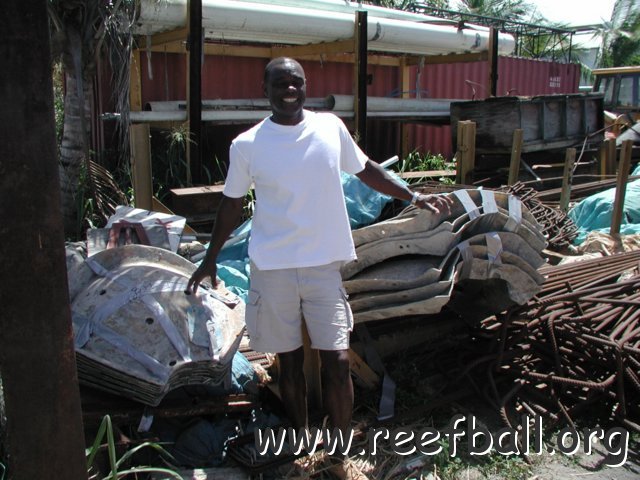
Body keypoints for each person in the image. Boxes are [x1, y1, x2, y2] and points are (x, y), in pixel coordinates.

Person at [187, 57, 452, 479]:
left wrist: (412, 195)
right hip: (273, 269)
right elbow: (231, 204)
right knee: (289, 364)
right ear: (266, 88)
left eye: (295, 81)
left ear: (305, 85)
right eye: (279, 83)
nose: (288, 89)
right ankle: (300, 448)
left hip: (323, 268)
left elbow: (366, 170)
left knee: (338, 360)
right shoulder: (248, 145)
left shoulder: (330, 128)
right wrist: (209, 257)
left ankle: (339, 454)